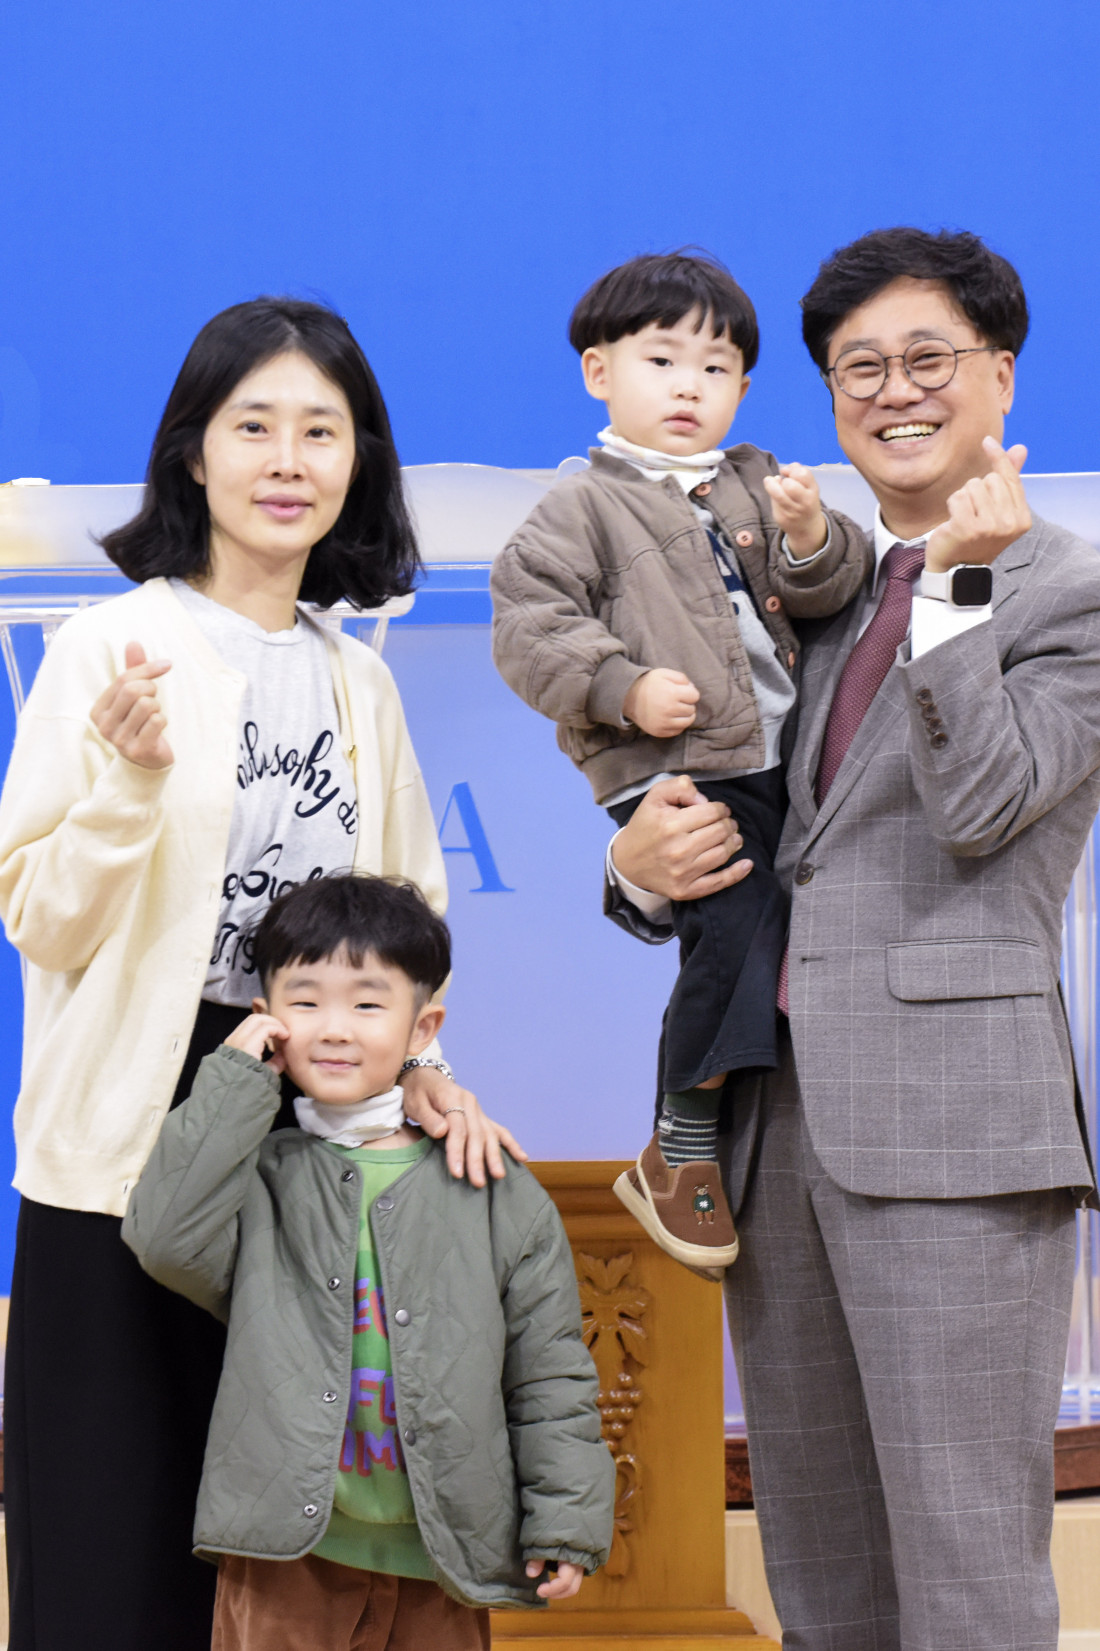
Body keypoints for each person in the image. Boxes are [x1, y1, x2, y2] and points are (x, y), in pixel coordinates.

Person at [0, 298, 523, 1651]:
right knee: (111, 1527)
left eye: (321, 431)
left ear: (359, 461)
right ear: (193, 451)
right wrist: (127, 785)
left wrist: (426, 1070)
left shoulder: (360, 685)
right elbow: (40, 919)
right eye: (254, 426)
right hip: (129, 1126)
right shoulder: (107, 649)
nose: (288, 459)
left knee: (287, 1543)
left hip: (309, 1126)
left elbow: (405, 918)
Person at [607, 228, 1100, 1650]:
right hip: (774, 1130)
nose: (894, 391)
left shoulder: (1067, 590)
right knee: (818, 1565)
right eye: (857, 368)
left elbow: (983, 802)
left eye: (927, 358)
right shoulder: (803, 592)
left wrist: (953, 590)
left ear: (1000, 376)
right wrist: (639, 870)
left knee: (962, 1561)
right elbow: (763, 828)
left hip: (955, 1134)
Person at [491, 250, 870, 1275]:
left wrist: (811, 539)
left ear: (743, 388)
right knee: (734, 923)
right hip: (677, 771)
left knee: (787, 930)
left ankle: (735, 1130)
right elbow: (527, 628)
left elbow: (833, 594)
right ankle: (680, 1137)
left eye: (715, 368)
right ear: (598, 372)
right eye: (661, 360)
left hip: (779, 760)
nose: (688, 386)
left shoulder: (755, 479)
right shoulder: (579, 508)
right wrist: (620, 686)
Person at [123, 872, 614, 1651]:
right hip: (285, 1556)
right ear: (266, 1018)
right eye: (305, 1001)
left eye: (367, 1003)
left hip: (442, 1559)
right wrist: (234, 1078)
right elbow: (164, 1238)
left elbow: (549, 1372)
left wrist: (566, 1517)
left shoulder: (492, 1186)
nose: (334, 1028)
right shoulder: (260, 1177)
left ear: (424, 1028)